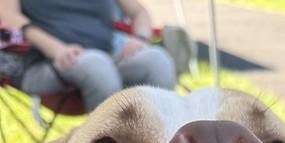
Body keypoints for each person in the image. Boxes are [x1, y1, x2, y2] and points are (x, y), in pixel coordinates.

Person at [0, 0, 176, 111]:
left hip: (108, 55)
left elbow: (139, 12)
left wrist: (140, 39)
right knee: (96, 65)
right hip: (43, 63)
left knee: (157, 59)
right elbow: (8, 14)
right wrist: (56, 49)